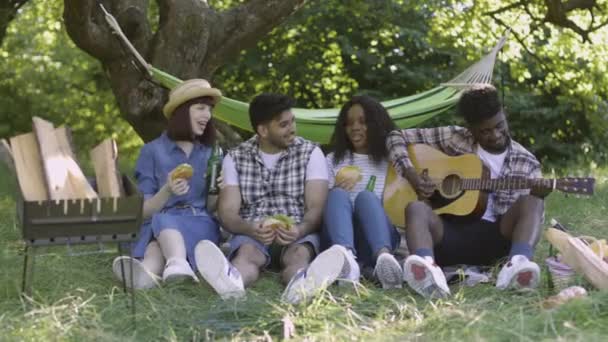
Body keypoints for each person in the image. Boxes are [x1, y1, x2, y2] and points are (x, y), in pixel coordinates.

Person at [387, 84, 547, 298]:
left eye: (500, 125)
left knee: (533, 202)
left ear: (505, 113)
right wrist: (412, 175)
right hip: (449, 236)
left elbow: (529, 222)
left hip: (495, 241)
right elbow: (395, 137)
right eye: (485, 131)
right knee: (415, 208)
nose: (496, 135)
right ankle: (427, 270)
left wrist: (536, 194)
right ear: (470, 128)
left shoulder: (527, 162)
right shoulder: (455, 137)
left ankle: (517, 266)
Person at [195, 93, 346, 303]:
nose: (292, 129)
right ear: (263, 130)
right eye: (284, 125)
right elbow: (227, 213)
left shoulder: (310, 152)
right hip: (253, 232)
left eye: (292, 121)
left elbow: (316, 207)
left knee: (299, 255)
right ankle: (231, 284)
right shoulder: (236, 157)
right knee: (246, 254)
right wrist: (250, 228)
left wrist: (299, 230)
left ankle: (300, 286)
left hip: (297, 230)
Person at [112, 79, 228, 291]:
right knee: (159, 232)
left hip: (198, 222)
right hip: (158, 223)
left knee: (162, 227)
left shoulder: (211, 153)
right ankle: (144, 279)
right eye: (200, 108)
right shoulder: (152, 151)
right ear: (182, 112)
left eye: (209, 109)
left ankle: (175, 263)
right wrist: (167, 190)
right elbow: (144, 212)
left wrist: (218, 190)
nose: (207, 116)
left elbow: (210, 207)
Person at [322, 95, 403, 289]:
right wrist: (334, 191)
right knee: (336, 194)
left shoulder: (392, 162)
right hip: (338, 238)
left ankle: (384, 261)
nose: (355, 127)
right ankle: (346, 262)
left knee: (366, 197)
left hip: (377, 237)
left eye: (363, 122)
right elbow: (319, 207)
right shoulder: (332, 160)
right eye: (349, 123)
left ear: (377, 124)